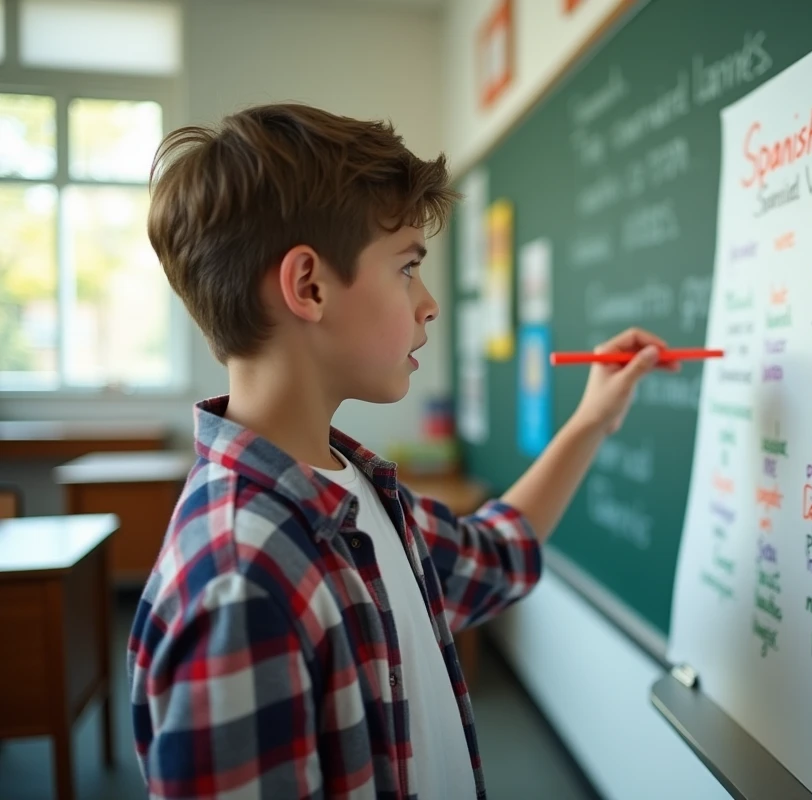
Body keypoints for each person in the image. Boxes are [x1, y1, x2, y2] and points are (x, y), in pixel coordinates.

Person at [127, 103, 675, 799]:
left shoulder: (353, 487)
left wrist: (593, 418)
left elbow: (492, 555)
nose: (428, 303)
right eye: (407, 268)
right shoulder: (241, 586)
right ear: (309, 286)